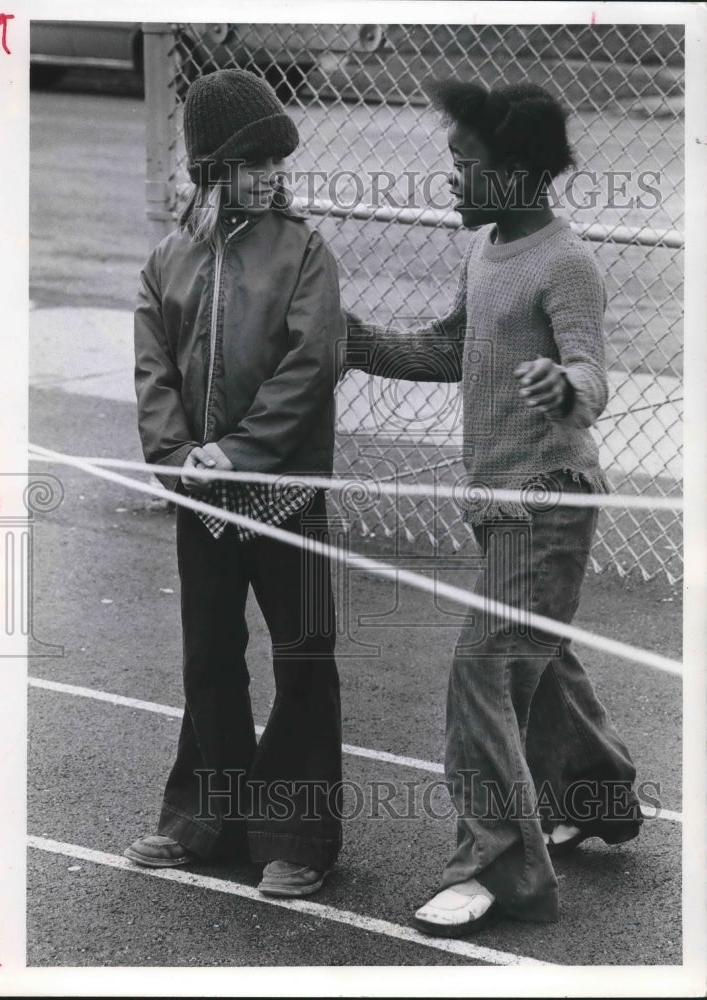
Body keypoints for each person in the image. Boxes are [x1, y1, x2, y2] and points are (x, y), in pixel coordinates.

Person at [344, 80, 643, 936]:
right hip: (497, 507)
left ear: (513, 173)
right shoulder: (483, 250)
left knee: (484, 670)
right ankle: (598, 799)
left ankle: (495, 870)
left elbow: (592, 375)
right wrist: (355, 342)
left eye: (462, 166)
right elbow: (450, 346)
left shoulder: (565, 262)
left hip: (545, 507)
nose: (449, 181)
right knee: (538, 661)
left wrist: (563, 387)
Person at [126, 69, 344, 898]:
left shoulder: (305, 250)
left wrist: (241, 452)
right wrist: (178, 456)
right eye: (251, 162)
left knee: (303, 657)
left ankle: (299, 835)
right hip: (202, 501)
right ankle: (203, 820)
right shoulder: (167, 261)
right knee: (210, 659)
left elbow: (312, 360)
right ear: (211, 169)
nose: (270, 175)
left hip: (288, 497)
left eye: (275, 160)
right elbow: (153, 374)